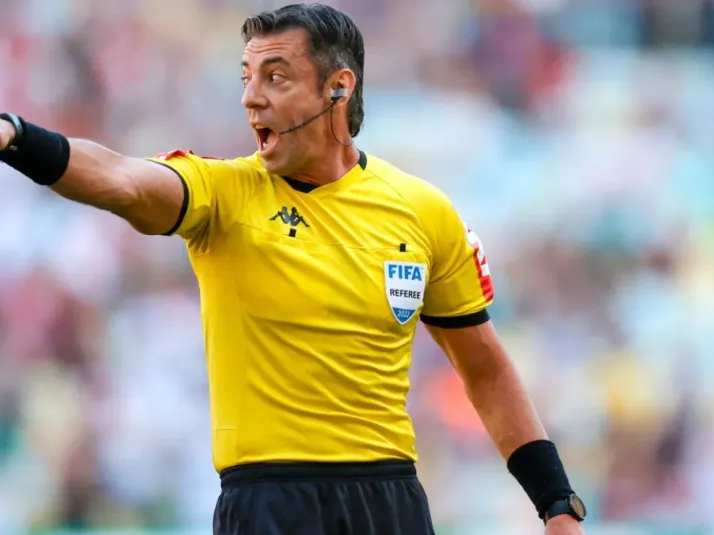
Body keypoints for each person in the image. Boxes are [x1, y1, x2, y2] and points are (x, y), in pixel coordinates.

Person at [0, 4, 588, 534]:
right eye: (246, 78)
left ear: (338, 89)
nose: (250, 98)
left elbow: (485, 370)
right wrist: (16, 137)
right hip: (268, 503)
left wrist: (555, 501)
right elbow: (120, 179)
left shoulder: (423, 211)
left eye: (275, 77)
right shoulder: (223, 194)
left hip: (390, 501)